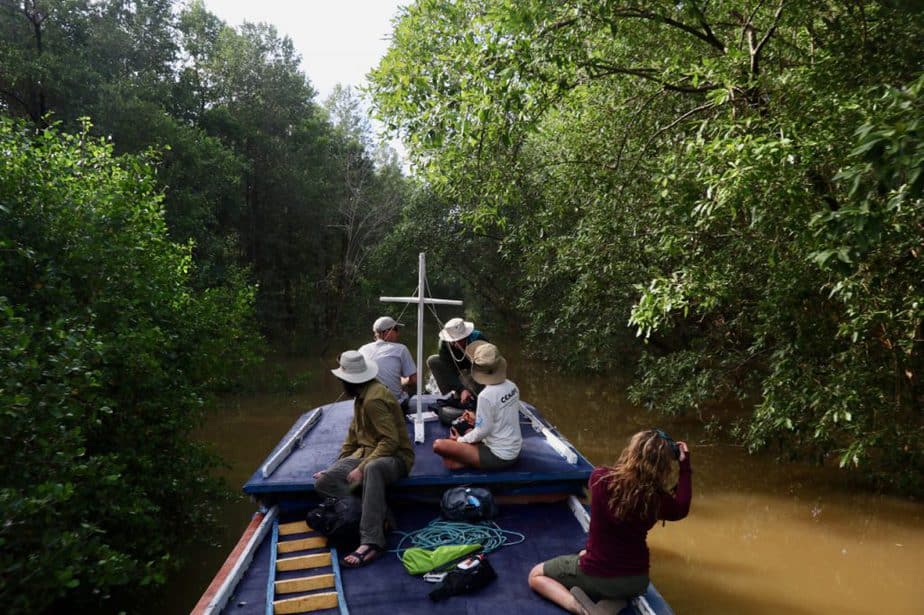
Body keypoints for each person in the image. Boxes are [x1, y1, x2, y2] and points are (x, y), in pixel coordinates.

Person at [528, 430, 692, 615]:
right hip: (636, 580)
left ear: (631, 452)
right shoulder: (657, 499)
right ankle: (609, 605)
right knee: (588, 557)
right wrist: (685, 465)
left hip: (597, 573)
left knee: (535, 575)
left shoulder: (600, 478)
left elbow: (622, 485)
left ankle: (581, 608)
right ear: (664, 466)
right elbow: (682, 507)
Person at [312, 350, 415, 568]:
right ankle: (381, 513)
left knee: (373, 469)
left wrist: (362, 467)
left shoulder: (373, 399)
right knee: (325, 482)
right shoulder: (361, 396)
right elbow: (352, 440)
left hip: (395, 458)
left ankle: (372, 541)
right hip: (368, 454)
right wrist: (334, 469)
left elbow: (391, 441)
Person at [432, 342, 522, 470]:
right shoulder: (512, 386)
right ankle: (469, 457)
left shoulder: (486, 396)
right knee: (467, 434)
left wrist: (460, 440)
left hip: (499, 455)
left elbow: (482, 431)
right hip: (514, 450)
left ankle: (469, 458)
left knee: (439, 445)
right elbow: (501, 418)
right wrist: (476, 418)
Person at [359, 316, 417, 410]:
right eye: (396, 330)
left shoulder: (362, 349)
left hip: (367, 404)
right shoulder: (401, 349)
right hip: (393, 405)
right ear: (386, 333)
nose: (398, 333)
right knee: (413, 386)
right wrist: (402, 382)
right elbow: (414, 380)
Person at [426, 317, 488, 406]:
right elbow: (448, 368)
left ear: (466, 335)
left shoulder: (478, 338)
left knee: (471, 387)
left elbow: (488, 362)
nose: (455, 344)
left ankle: (473, 396)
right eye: (452, 341)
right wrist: (461, 389)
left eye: (459, 340)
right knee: (433, 361)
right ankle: (451, 394)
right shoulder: (443, 343)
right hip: (455, 366)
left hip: (474, 367)